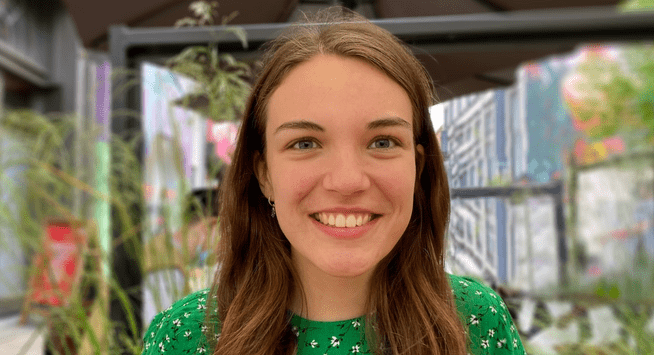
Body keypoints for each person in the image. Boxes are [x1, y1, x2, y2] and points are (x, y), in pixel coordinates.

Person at [142, 7, 526, 355]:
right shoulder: (184, 338)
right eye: (305, 143)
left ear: (418, 167)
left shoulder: (477, 324)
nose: (347, 181)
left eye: (382, 142)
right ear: (264, 175)